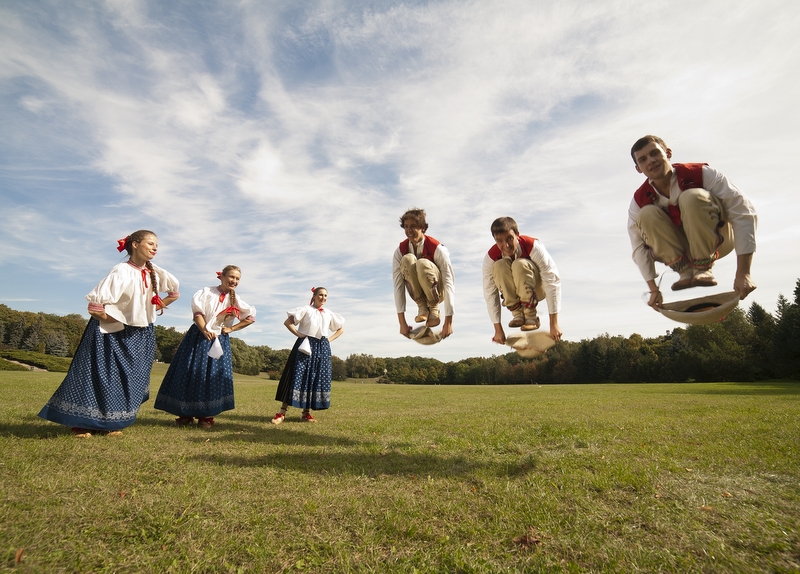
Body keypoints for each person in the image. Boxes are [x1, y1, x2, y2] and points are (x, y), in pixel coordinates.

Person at [38, 230, 180, 437]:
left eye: (156, 245)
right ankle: (82, 423)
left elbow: (174, 293)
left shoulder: (155, 272)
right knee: (100, 375)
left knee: (130, 378)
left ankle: (112, 422)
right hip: (111, 332)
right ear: (134, 244)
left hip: (142, 333)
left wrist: (152, 307)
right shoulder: (121, 271)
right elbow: (95, 307)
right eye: (150, 243)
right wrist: (115, 320)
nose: (155, 248)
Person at [627, 135, 758, 309]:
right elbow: (637, 246)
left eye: (654, 153)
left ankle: (703, 268)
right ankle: (684, 271)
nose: (650, 161)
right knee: (646, 215)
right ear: (638, 168)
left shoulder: (703, 174)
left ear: (668, 153)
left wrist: (744, 273)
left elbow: (743, 213)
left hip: (720, 239)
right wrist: (653, 289)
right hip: (682, 249)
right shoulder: (639, 200)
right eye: (643, 160)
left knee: (690, 197)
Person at [154, 266, 256, 429]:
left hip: (219, 340)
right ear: (221, 276)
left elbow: (250, 317)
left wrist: (230, 329)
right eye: (231, 277)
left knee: (212, 376)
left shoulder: (236, 299)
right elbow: (198, 314)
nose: (234, 281)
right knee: (191, 372)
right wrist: (204, 330)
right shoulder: (206, 292)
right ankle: (185, 414)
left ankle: (206, 416)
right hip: (198, 337)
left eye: (237, 279)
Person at [482, 217, 562, 345]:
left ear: (517, 235)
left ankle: (531, 317)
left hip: (537, 289)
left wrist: (554, 324)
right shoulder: (490, 258)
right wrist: (498, 329)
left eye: (509, 238)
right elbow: (490, 293)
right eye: (499, 241)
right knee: (499, 266)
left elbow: (552, 282)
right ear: (495, 240)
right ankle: (517, 314)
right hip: (513, 292)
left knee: (519, 264)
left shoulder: (533, 246)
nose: (506, 245)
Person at [271, 287, 344, 424]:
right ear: (314, 295)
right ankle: (281, 413)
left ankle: (306, 413)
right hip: (305, 346)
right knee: (295, 375)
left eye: (326, 296)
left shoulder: (329, 313)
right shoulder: (305, 309)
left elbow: (341, 329)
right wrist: (298, 334)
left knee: (314, 378)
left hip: (322, 348)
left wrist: (329, 339)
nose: (323, 298)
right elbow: (288, 322)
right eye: (321, 295)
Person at [392, 208, 455, 339]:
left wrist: (448, 322)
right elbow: (398, 286)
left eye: (413, 226)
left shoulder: (437, 248)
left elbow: (449, 284)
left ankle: (434, 309)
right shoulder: (400, 251)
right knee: (407, 259)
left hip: (439, 290)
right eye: (406, 227)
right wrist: (402, 323)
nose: (409, 231)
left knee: (422, 263)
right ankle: (422, 308)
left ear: (423, 228)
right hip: (418, 292)